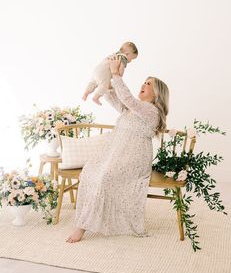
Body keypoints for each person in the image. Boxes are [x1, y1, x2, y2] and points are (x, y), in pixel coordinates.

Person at [66, 55, 169, 243]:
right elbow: (113, 97)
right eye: (144, 82)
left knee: (105, 177)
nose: (143, 85)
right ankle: (86, 219)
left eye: (148, 84)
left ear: (157, 93)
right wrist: (112, 77)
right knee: (91, 172)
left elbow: (128, 99)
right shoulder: (133, 109)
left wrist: (117, 75)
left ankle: (82, 226)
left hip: (134, 158)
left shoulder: (150, 111)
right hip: (118, 154)